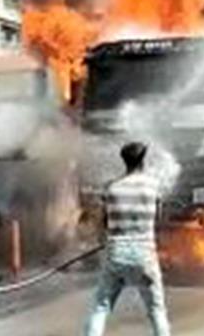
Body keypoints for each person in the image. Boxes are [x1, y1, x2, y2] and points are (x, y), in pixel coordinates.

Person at [84, 142, 170, 336]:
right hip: (145, 255)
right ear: (143, 162)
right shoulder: (153, 186)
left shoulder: (111, 188)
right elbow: (158, 217)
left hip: (116, 254)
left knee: (101, 307)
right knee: (156, 310)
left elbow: (105, 222)